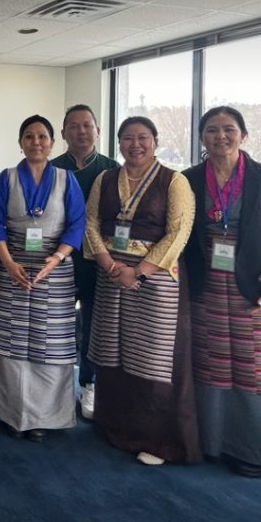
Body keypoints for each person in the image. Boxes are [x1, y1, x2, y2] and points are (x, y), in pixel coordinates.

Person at [183, 106, 261, 477]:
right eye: (212, 130)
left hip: (256, 284)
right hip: (207, 283)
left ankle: (257, 451)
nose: (221, 136)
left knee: (259, 368)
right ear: (202, 138)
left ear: (243, 135)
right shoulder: (189, 179)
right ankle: (213, 443)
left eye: (229, 129)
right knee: (212, 363)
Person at [83, 116, 200, 466]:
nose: (135, 145)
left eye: (143, 137)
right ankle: (113, 427)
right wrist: (110, 265)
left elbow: (178, 232)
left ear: (155, 141)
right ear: (118, 143)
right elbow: (90, 223)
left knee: (151, 360)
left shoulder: (174, 181)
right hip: (111, 275)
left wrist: (139, 272)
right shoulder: (105, 179)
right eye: (128, 138)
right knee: (112, 354)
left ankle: (157, 441)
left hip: (155, 281)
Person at [0, 115, 87, 441]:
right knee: (10, 343)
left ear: (53, 143)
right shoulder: (7, 178)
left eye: (42, 136)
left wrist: (56, 258)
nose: (36, 142)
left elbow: (77, 224)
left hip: (54, 272)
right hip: (10, 269)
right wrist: (8, 262)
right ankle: (12, 414)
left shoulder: (67, 180)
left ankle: (44, 417)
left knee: (49, 344)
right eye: (29, 136)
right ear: (20, 143)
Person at [50, 104, 119, 421]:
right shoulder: (51, 168)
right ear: (63, 133)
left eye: (87, 125)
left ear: (98, 131)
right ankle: (55, 389)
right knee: (56, 328)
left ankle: (89, 384)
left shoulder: (113, 170)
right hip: (60, 261)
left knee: (93, 328)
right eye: (74, 126)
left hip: (97, 262)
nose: (81, 131)